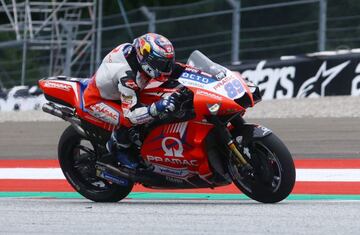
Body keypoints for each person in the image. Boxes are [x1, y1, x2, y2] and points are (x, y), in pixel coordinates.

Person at [83, 33, 185, 170]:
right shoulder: (128, 76)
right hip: (97, 100)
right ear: (146, 58)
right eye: (162, 63)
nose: (167, 67)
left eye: (169, 62)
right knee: (130, 120)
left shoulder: (139, 56)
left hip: (119, 91)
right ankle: (118, 147)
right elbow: (131, 115)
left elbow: (177, 69)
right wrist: (158, 107)